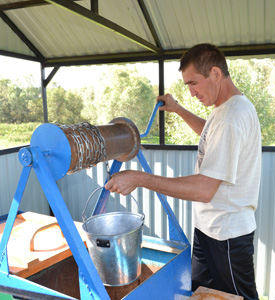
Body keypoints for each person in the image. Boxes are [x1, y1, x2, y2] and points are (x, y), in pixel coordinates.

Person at [105, 43, 261, 300]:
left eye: (193, 83)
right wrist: (178, 109)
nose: (191, 93)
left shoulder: (232, 115)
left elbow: (203, 189)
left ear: (215, 73)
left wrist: (139, 178)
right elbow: (210, 136)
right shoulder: (225, 110)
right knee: (200, 293)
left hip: (228, 237)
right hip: (209, 229)